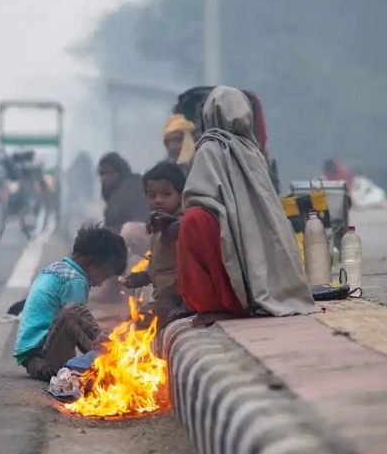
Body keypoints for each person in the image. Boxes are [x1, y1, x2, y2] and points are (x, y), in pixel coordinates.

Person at [178, 86, 314, 318]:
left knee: (194, 220)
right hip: (252, 244)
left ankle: (216, 304)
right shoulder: (254, 152)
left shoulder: (209, 147)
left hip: (223, 237)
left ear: (209, 113)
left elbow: (196, 197)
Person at [14, 223, 128, 381]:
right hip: (44, 360)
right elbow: (76, 322)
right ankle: (110, 361)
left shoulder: (58, 268)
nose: (101, 283)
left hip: (34, 359)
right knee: (74, 312)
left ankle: (106, 357)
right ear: (90, 262)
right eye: (105, 275)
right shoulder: (75, 280)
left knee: (78, 317)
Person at [120, 161, 192, 330]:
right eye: (152, 196)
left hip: (178, 299)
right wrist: (142, 277)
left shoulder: (182, 226)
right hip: (164, 295)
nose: (159, 200)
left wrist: (186, 305)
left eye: (166, 194)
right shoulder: (158, 225)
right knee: (131, 321)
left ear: (181, 194)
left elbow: (191, 270)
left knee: (136, 326)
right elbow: (163, 266)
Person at [97, 152, 150, 232]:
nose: (105, 177)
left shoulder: (130, 190)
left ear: (120, 172)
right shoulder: (116, 192)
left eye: (110, 173)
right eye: (103, 173)